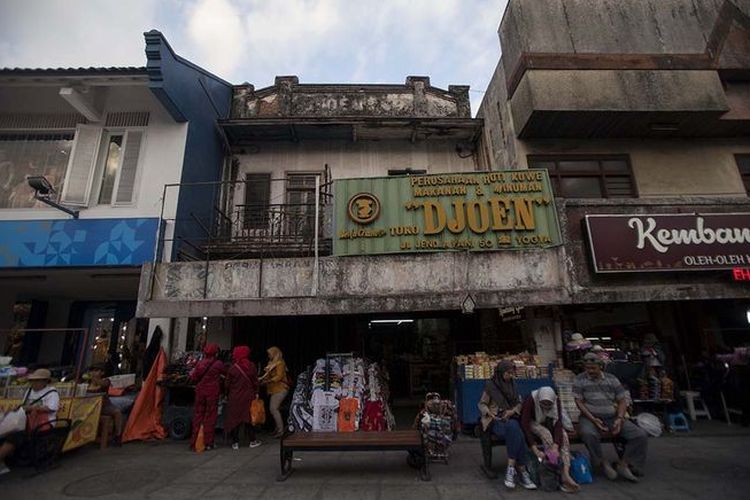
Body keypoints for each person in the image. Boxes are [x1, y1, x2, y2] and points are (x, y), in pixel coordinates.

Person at [573, 353, 648, 482]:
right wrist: (592, 418)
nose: (590, 371)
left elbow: (622, 400)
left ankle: (625, 463)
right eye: (587, 368)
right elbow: (579, 402)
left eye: (593, 368)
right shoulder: (580, 379)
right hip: (589, 417)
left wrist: (619, 418)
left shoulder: (611, 379)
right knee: (588, 434)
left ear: (600, 366)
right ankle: (601, 462)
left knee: (639, 435)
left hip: (612, 416)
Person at [478, 360, 538, 490]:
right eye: (508, 373)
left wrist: (512, 411)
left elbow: (519, 403)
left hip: (511, 419)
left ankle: (512, 469)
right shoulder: (491, 386)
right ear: (501, 373)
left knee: (515, 431)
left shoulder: (513, 385)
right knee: (517, 432)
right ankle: (522, 472)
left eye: (512, 373)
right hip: (496, 421)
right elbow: (482, 404)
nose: (510, 376)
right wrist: (489, 413)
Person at [0, 369, 59, 475]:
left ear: (45, 381)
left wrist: (32, 408)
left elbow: (51, 408)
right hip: (26, 421)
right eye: (33, 381)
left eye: (37, 381)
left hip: (42, 424)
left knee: (15, 436)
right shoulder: (29, 391)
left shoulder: (52, 392)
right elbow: (24, 406)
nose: (34, 383)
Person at [520, 386, 579, 493]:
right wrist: (535, 449)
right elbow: (525, 423)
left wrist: (556, 446)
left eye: (549, 405)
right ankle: (555, 469)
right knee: (546, 434)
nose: (546, 407)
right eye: (543, 404)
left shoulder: (556, 401)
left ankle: (565, 473)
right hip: (533, 422)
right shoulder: (531, 399)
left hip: (548, 422)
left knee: (564, 436)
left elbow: (558, 424)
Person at [189, 343, 225, 451]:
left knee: (198, 416)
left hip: (200, 392)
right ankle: (208, 442)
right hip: (212, 393)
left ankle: (194, 441)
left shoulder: (200, 364)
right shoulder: (218, 364)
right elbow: (226, 373)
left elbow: (194, 377)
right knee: (210, 417)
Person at [225, 346, 261, 449]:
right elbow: (255, 381)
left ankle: (235, 442)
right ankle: (252, 440)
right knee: (249, 418)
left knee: (235, 419)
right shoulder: (252, 366)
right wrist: (257, 392)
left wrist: (226, 393)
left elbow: (227, 384)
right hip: (248, 396)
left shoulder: (233, 368)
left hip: (235, 396)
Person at [86, 364, 124, 446]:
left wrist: (93, 378)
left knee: (117, 412)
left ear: (102, 373)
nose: (93, 372)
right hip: (89, 406)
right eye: (92, 371)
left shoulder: (106, 381)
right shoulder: (86, 383)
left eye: (96, 371)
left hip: (104, 406)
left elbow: (103, 384)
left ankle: (118, 435)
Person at [259, 346, 290, 438]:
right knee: (274, 409)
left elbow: (279, 376)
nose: (268, 356)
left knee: (273, 409)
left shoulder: (280, 363)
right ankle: (277, 429)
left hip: (280, 389)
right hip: (274, 389)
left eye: (270, 354)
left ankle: (280, 431)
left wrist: (268, 381)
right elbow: (267, 375)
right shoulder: (271, 363)